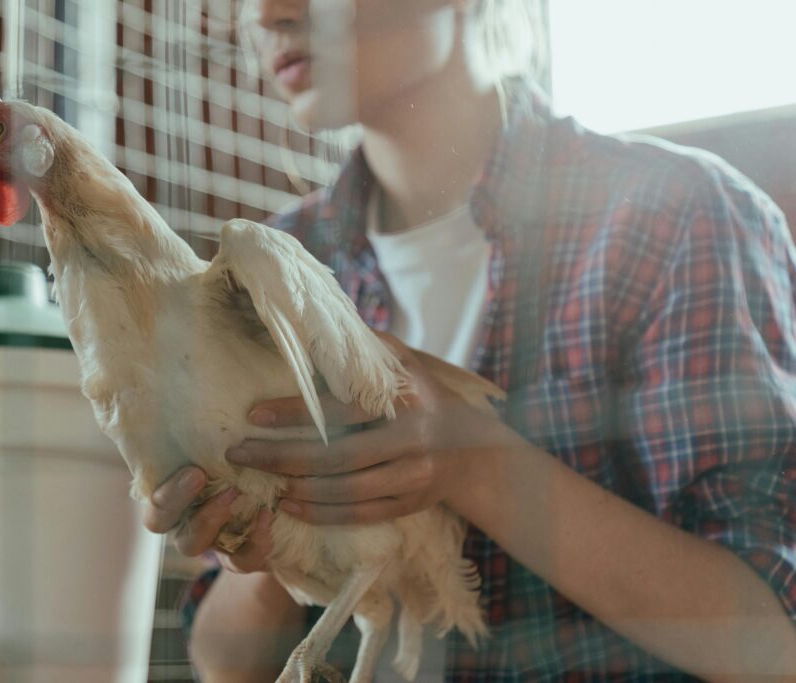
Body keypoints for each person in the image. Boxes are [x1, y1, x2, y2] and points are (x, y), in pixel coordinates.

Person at [143, 0, 796, 680]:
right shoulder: (274, 265)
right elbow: (223, 663)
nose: (271, 13)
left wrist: (474, 461)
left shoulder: (678, 217)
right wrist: (282, 518)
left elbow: (774, 647)